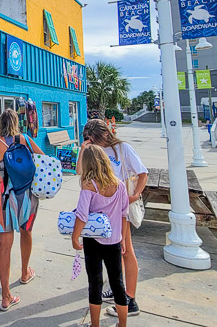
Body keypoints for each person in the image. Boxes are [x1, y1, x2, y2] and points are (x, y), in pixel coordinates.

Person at [77, 118, 148, 318]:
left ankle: (130, 298)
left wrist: (134, 196)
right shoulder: (93, 151)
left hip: (117, 210)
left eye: (95, 139)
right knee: (109, 256)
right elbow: (79, 172)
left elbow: (142, 173)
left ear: (105, 135)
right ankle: (119, 290)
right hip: (98, 214)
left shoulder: (123, 149)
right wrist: (83, 150)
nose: (94, 143)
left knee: (125, 249)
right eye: (89, 139)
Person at [0, 109, 43, 311]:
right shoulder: (25, 139)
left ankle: (5, 296)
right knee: (26, 232)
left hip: (3, 198)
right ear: (17, 123)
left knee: (5, 244)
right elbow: (42, 160)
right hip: (26, 196)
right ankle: (25, 273)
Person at [72, 145, 130, 327]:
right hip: (113, 240)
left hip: (93, 241)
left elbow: (82, 215)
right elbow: (124, 214)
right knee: (117, 283)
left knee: (95, 283)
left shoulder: (89, 186)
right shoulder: (119, 185)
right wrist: (123, 238)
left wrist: (75, 237)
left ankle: (95, 324)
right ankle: (122, 324)